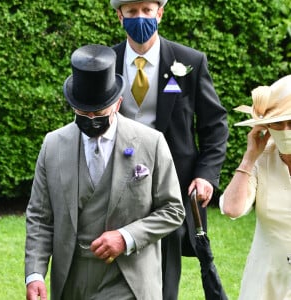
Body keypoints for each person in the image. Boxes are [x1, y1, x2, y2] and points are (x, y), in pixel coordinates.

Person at [25, 44, 185, 300]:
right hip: (71, 280)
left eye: (98, 113)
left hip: (127, 280)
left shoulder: (151, 142)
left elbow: (173, 210)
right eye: (82, 113)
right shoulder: (53, 145)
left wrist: (126, 237)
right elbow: (40, 217)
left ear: (117, 102)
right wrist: (34, 274)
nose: (90, 119)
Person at [109, 0, 229, 298]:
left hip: (171, 188)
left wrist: (205, 175)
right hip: (115, 185)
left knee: (164, 284)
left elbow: (215, 124)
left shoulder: (189, 61)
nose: (140, 18)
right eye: (132, 11)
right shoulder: (106, 62)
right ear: (119, 16)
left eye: (147, 10)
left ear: (159, 14)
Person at [220, 75, 291, 300]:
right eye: (278, 123)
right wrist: (249, 158)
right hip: (266, 279)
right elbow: (232, 209)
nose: (286, 130)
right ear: (266, 126)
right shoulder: (262, 160)